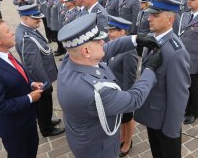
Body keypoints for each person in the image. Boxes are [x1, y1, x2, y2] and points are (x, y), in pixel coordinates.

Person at [57, 13, 162, 158]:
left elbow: (107, 49)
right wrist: (150, 70)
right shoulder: (94, 92)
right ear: (86, 51)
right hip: (99, 149)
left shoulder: (71, 60)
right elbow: (134, 99)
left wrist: (135, 39)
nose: (103, 42)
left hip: (81, 139)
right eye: (98, 41)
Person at [135, 0, 190, 158]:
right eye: (150, 14)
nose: (149, 18)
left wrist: (171, 130)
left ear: (170, 20)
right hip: (153, 117)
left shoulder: (175, 52)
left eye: (155, 15)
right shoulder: (152, 39)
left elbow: (179, 95)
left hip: (164, 123)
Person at [15, 5, 65, 137]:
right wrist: (44, 83)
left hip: (43, 77)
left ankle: (48, 120)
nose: (39, 22)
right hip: (40, 80)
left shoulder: (29, 28)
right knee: (43, 104)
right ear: (25, 18)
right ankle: (46, 129)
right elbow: (33, 65)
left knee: (46, 104)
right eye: (35, 20)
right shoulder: (26, 37)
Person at [0, 19, 43, 158]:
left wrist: (30, 84)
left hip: (26, 119)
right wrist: (29, 98)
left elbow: (16, 75)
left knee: (31, 151)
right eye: (7, 32)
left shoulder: (6, 54)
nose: (12, 33)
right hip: (14, 127)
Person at [106, 16, 138, 157]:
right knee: (121, 118)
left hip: (123, 93)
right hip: (113, 92)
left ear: (122, 32)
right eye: (109, 30)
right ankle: (123, 136)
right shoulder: (112, 45)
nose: (109, 34)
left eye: (112, 31)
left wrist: (126, 98)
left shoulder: (129, 50)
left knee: (127, 117)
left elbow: (130, 76)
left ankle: (128, 142)